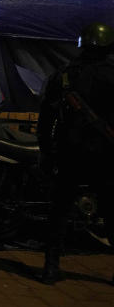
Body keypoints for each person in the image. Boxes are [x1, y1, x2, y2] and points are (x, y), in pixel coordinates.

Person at [35, 21, 114, 285]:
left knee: (58, 213)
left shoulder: (64, 76)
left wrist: (46, 151)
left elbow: (46, 118)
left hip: (70, 154)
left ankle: (50, 268)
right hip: (105, 156)